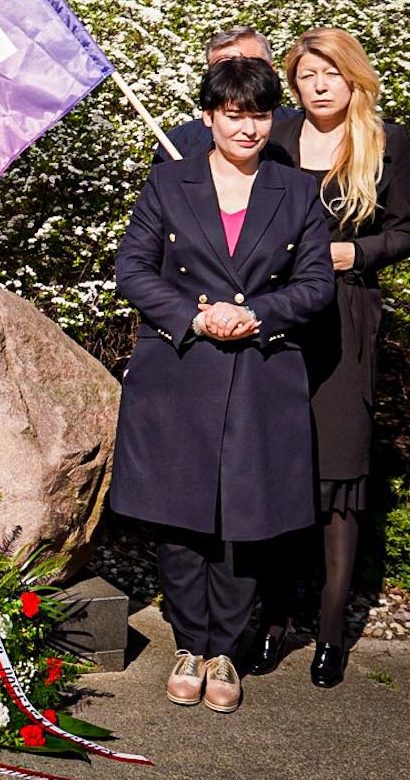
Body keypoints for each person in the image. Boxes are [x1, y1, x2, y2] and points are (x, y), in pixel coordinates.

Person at [111, 55, 334, 714]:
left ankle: (226, 652)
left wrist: (258, 313)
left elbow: (317, 285)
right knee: (179, 518)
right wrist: (194, 316)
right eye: (234, 115)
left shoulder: (296, 192)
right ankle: (189, 642)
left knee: (246, 519)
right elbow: (132, 269)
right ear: (208, 117)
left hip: (262, 374)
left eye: (260, 115)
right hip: (179, 373)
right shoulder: (167, 182)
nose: (248, 129)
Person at [249, 29, 410, 687]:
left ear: (353, 77)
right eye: (304, 75)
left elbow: (404, 229)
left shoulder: (385, 141)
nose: (316, 85)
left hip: (346, 317)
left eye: (327, 73)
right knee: (278, 473)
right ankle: (271, 624)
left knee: (338, 482)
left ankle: (328, 635)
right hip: (281, 317)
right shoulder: (279, 139)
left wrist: (356, 253)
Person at [154, 26, 301, 163]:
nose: (238, 74)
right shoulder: (179, 142)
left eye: (251, 65)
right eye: (224, 68)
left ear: (272, 71)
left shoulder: (303, 130)